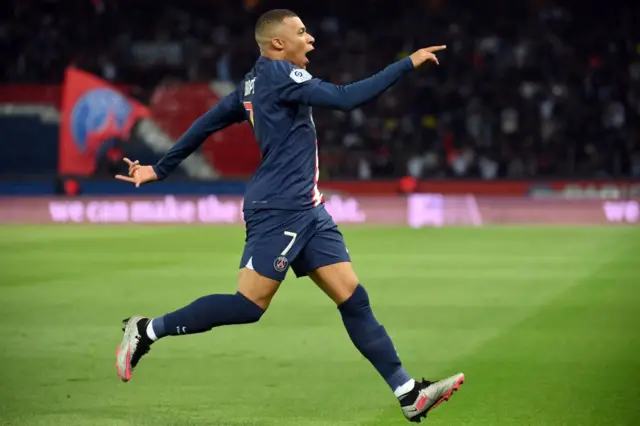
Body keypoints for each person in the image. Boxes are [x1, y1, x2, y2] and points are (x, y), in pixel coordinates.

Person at [114, 9, 463, 423]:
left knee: (353, 297)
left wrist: (160, 168)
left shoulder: (251, 82)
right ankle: (147, 330)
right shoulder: (280, 75)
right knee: (249, 305)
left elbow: (205, 123)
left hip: (308, 209)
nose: (311, 38)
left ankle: (408, 393)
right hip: (278, 208)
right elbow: (346, 98)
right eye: (301, 32)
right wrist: (407, 63)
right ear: (277, 44)